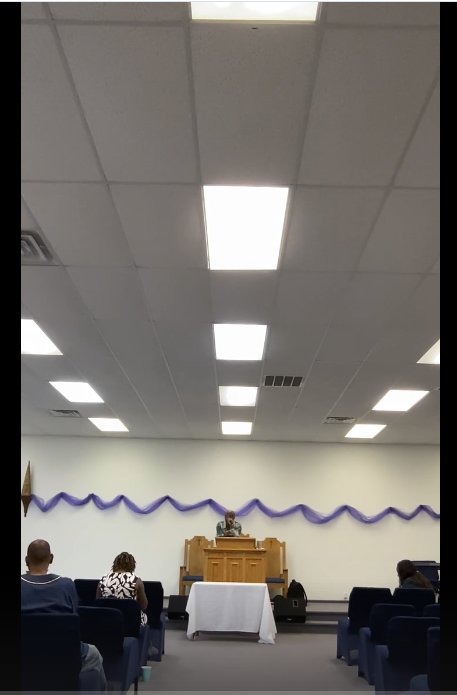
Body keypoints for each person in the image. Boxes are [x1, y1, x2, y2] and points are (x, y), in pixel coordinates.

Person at [21, 539, 107, 691]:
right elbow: (74, 620)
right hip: (62, 657)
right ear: (51, 558)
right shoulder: (66, 585)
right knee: (94, 653)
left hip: (23, 656)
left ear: (26, 560)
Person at [97, 552, 148, 625]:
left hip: (108, 622)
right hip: (131, 623)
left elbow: (98, 603)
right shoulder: (136, 581)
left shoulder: (103, 579)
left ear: (115, 563)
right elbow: (143, 606)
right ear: (132, 565)